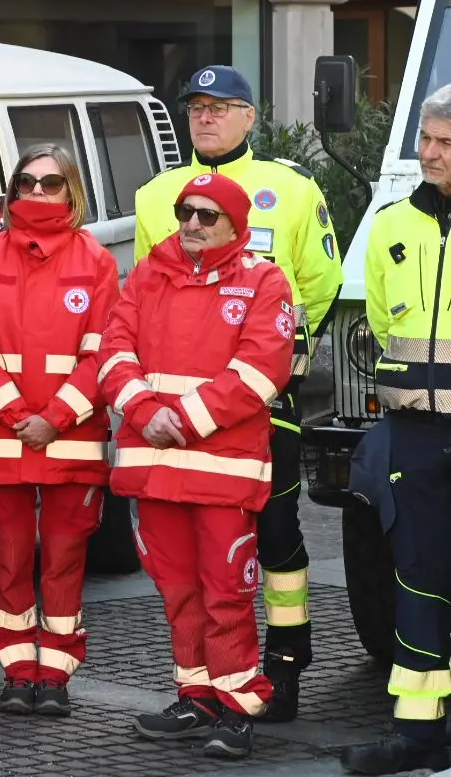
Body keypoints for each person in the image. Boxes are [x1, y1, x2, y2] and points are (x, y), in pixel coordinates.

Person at [132, 64, 341, 721]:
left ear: (250, 117)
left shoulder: (293, 190)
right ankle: (203, 689)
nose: (207, 116)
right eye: (197, 107)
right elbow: (145, 296)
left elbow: (321, 284)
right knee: (196, 558)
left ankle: (285, 663)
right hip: (179, 421)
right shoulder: (155, 195)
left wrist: (277, 363)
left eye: (222, 106)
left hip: (266, 404)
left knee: (276, 533)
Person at [99, 172, 294, 761]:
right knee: (177, 592)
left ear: (236, 224)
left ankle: (238, 710)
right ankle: (197, 697)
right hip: (156, 468)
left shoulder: (264, 280)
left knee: (225, 594)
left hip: (220, 471)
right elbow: (112, 351)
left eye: (208, 215)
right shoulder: (147, 276)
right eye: (187, 212)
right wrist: (141, 407)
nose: (193, 224)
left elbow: (262, 373)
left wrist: (176, 417)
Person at [0, 144, 119, 718]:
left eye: (51, 183)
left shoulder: (95, 261)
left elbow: (106, 357)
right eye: (27, 183)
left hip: (68, 439)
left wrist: (55, 418)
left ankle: (58, 674)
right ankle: (18, 673)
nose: (38, 194)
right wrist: (24, 417)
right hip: (7, 439)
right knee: (11, 559)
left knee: (66, 560)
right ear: (13, 188)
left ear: (72, 190)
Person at [339, 84, 451, 776]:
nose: (430, 154)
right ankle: (418, 733)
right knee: (417, 578)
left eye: (445, 145)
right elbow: (383, 322)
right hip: (414, 433)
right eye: (427, 141)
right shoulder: (389, 225)